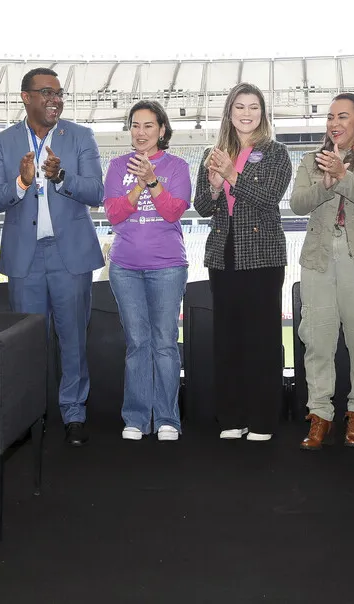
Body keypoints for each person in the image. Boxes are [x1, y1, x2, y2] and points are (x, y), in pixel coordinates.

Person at [0, 68, 104, 446]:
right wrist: (21, 183)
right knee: (27, 344)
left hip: (70, 255)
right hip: (25, 258)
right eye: (46, 92)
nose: (55, 99)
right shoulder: (3, 142)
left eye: (59, 93)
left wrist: (62, 177)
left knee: (73, 339)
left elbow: (96, 192)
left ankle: (74, 413)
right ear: (26, 97)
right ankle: (30, 415)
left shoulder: (81, 136)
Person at [291, 93, 354, 450]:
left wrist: (343, 176)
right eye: (330, 116)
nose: (334, 122)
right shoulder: (310, 160)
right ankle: (320, 415)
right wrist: (326, 182)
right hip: (318, 258)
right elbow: (298, 204)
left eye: (343, 116)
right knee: (317, 340)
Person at [193, 82, 291, 442]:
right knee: (228, 340)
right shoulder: (213, 152)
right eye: (240, 107)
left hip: (263, 257)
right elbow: (202, 206)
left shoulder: (276, 152)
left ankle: (263, 418)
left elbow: (268, 197)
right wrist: (216, 185)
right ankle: (232, 416)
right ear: (229, 112)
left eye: (254, 107)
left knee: (262, 340)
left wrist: (232, 176)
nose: (246, 114)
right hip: (223, 256)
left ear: (262, 114)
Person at [103, 101, 191, 441]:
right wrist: (138, 184)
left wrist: (153, 180)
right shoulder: (116, 166)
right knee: (137, 343)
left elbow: (172, 212)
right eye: (135, 126)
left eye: (148, 126)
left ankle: (168, 418)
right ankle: (137, 418)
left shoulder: (177, 166)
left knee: (165, 343)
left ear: (162, 130)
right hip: (125, 266)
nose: (141, 133)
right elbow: (113, 215)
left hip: (167, 266)